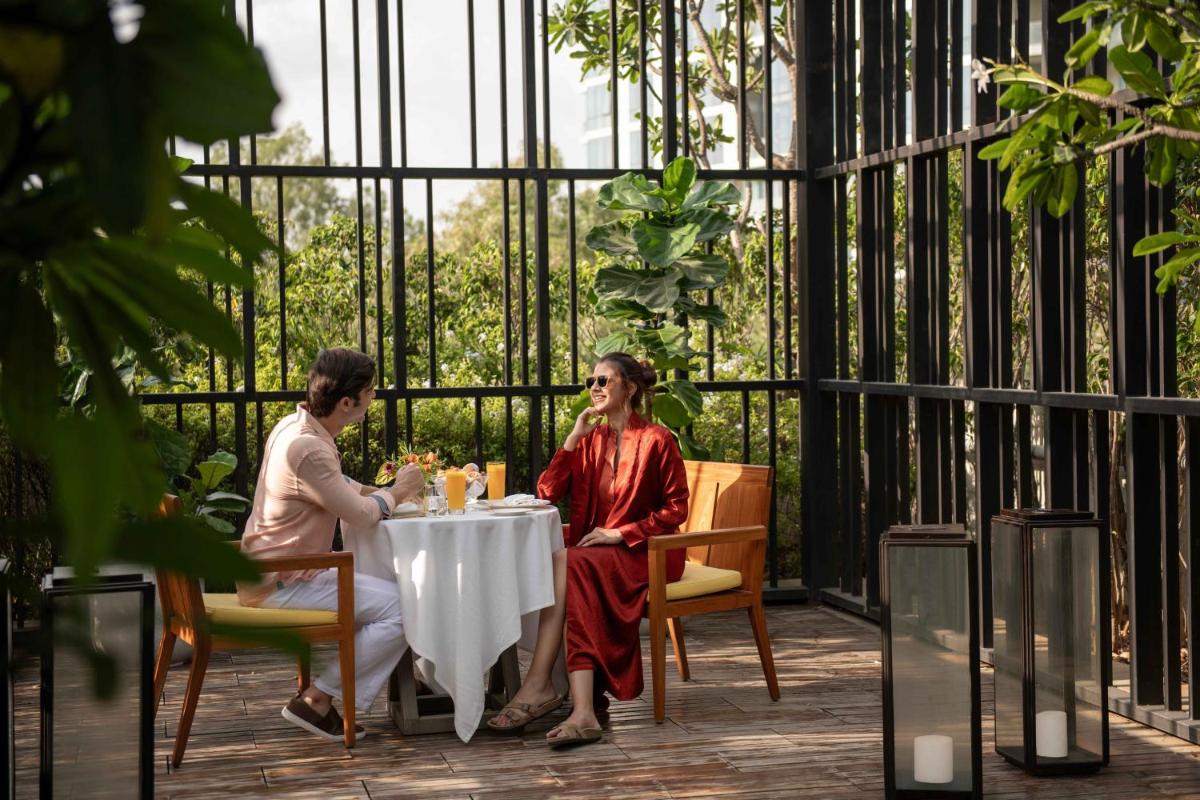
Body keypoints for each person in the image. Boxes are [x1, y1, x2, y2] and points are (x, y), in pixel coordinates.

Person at [487, 352, 689, 748]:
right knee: (568, 562)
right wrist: (572, 438)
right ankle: (573, 704)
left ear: (629, 388)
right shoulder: (592, 440)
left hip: (647, 551)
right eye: (590, 381)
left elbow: (676, 508)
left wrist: (621, 533)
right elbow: (547, 491)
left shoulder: (657, 440)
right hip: (594, 555)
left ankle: (544, 689)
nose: (593, 388)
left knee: (571, 562)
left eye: (603, 380)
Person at [237, 348, 425, 742]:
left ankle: (419, 680)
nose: (374, 397)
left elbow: (339, 487)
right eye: (370, 391)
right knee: (404, 609)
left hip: (278, 572)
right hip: (283, 582)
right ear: (346, 403)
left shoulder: (295, 427)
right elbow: (361, 515)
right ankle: (317, 699)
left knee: (391, 595)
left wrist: (386, 492)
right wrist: (399, 490)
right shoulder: (307, 448)